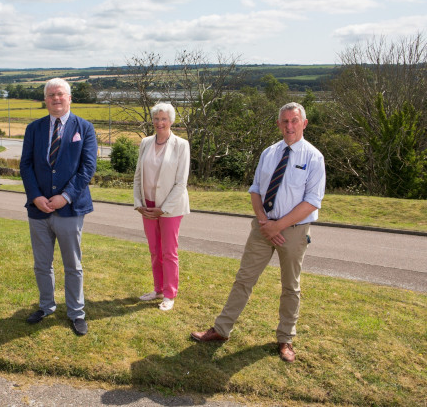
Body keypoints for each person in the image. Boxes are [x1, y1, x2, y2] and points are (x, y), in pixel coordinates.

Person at [190, 102, 325, 363]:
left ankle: (286, 338)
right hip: (263, 228)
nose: (289, 126)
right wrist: (265, 221)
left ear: (304, 123)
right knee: (244, 279)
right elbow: (255, 190)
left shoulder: (313, 158)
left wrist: (279, 225)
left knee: (291, 287)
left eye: (294, 121)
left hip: (294, 232)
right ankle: (221, 330)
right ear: (278, 124)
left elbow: (312, 202)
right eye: (284, 121)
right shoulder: (269, 153)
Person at [19, 78, 97, 336]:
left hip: (69, 209)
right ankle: (46, 306)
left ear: (69, 98)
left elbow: (87, 168)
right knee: (42, 263)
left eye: (60, 94)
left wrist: (65, 196)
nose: (56, 98)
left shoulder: (84, 128)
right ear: (45, 99)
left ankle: (76, 312)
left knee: (72, 265)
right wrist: (35, 196)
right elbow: (26, 165)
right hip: (38, 209)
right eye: (51, 95)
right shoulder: (34, 128)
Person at [133, 102, 190, 311]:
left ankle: (169, 294)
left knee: (169, 252)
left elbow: (181, 182)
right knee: (155, 251)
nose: (159, 123)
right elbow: (138, 175)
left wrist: (163, 208)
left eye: (164, 119)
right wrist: (138, 203)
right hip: (147, 206)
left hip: (171, 208)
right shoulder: (146, 142)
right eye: (156, 119)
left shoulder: (181, 145)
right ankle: (157, 289)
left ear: (171, 121)